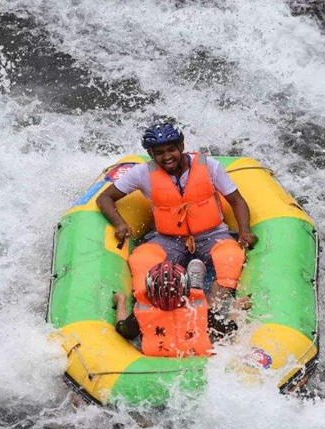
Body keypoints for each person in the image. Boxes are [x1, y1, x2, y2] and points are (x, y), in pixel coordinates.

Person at [96, 123, 258, 306]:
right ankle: (150, 308)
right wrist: (119, 223)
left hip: (212, 234)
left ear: (181, 146)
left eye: (171, 149)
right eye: (159, 153)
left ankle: (213, 309)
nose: (166, 157)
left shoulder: (209, 166)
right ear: (150, 154)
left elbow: (237, 200)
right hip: (168, 238)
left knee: (230, 255)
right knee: (142, 259)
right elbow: (105, 198)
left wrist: (245, 231)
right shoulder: (141, 173)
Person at [113, 259, 250, 357]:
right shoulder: (199, 311)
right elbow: (228, 331)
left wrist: (121, 302)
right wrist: (236, 308)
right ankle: (196, 286)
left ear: (149, 291)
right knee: (207, 300)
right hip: (196, 358)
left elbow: (123, 329)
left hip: (156, 360)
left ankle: (195, 285)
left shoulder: (141, 314)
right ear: (185, 290)